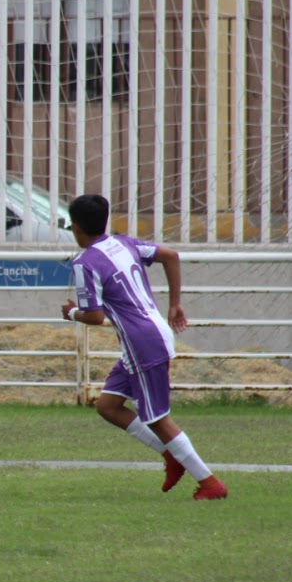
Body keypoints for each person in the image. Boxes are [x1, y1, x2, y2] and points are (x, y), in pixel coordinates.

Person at [60, 193, 228, 500]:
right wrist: (175, 303)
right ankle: (171, 455)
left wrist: (72, 313)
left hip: (142, 342)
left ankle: (210, 484)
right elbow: (171, 255)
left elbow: (94, 317)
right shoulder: (123, 243)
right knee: (108, 407)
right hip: (150, 335)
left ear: (76, 227)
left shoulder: (85, 263)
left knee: (157, 418)